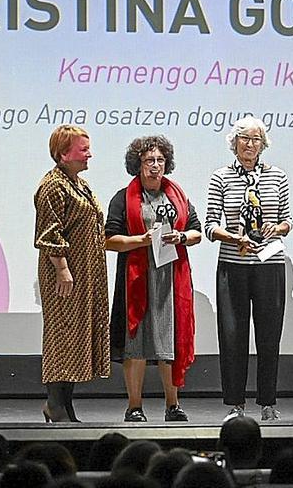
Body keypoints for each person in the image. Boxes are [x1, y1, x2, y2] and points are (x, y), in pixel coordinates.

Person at [106, 135, 202, 423]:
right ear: (138, 164)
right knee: (135, 344)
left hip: (171, 280)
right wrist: (142, 240)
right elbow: (109, 239)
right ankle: (134, 406)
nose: (155, 166)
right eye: (149, 161)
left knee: (168, 343)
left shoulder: (178, 196)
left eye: (160, 160)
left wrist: (181, 236)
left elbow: (196, 232)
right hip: (137, 279)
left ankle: (172, 405)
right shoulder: (123, 197)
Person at [204, 116, 292, 421]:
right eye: (244, 138)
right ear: (234, 142)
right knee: (233, 335)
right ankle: (235, 403)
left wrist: (276, 227)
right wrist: (232, 236)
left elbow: (287, 221)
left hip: (269, 264)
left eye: (256, 139)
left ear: (263, 144)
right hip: (233, 265)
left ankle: (268, 402)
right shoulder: (220, 177)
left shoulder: (278, 176)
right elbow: (210, 226)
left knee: (269, 335)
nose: (250, 144)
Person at [34, 124, 110, 423]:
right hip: (65, 273)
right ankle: (55, 404)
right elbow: (49, 233)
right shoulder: (53, 186)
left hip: (86, 273)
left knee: (76, 337)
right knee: (62, 335)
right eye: (83, 149)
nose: (89, 153)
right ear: (64, 153)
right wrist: (63, 270)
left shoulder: (78, 183)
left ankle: (65, 405)